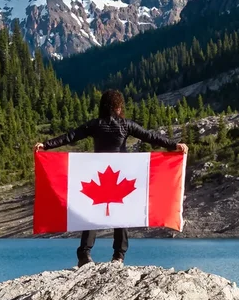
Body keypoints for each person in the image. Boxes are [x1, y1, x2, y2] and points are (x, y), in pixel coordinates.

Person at [36, 89, 188, 267]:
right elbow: (150, 136)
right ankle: (119, 256)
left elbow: (71, 136)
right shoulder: (126, 125)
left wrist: (46, 145)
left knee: (91, 213)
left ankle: (84, 254)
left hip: (98, 174)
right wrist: (173, 145)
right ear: (118, 107)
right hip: (119, 174)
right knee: (121, 214)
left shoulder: (95, 124)